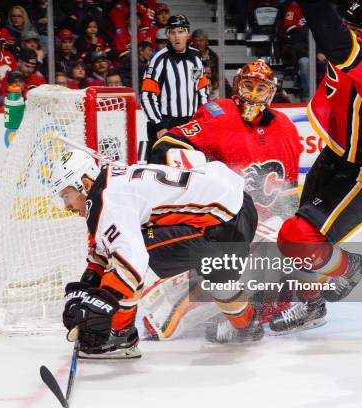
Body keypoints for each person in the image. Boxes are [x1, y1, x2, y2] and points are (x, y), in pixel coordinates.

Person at [269, 0, 362, 334]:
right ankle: (311, 305)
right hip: (340, 152)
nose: (350, 32)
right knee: (300, 230)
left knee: (298, 236)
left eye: (356, 29)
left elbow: (335, 40)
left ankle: (351, 267)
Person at [51, 151, 259, 359]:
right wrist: (89, 285)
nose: (66, 206)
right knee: (219, 279)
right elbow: (107, 247)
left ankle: (120, 337)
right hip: (238, 208)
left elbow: (131, 259)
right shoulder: (114, 179)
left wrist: (101, 303)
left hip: (220, 229)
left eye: (66, 196)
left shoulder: (103, 201)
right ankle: (248, 325)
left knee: (129, 260)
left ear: (85, 185)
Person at [149, 60, 302, 333]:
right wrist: (182, 160)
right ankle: (192, 297)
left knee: (284, 243)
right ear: (237, 85)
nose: (253, 95)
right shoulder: (218, 114)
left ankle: (246, 311)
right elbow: (169, 144)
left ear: (271, 92)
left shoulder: (286, 129)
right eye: (248, 86)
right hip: (221, 222)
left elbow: (289, 194)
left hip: (262, 225)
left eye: (261, 88)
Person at [141, 15, 209, 156]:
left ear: (187, 34)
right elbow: (147, 96)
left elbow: (202, 91)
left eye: (180, 32)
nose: (177, 37)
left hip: (190, 124)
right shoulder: (159, 59)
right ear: (168, 35)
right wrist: (159, 126)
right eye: (173, 32)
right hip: (166, 123)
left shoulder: (196, 57)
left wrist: (202, 121)